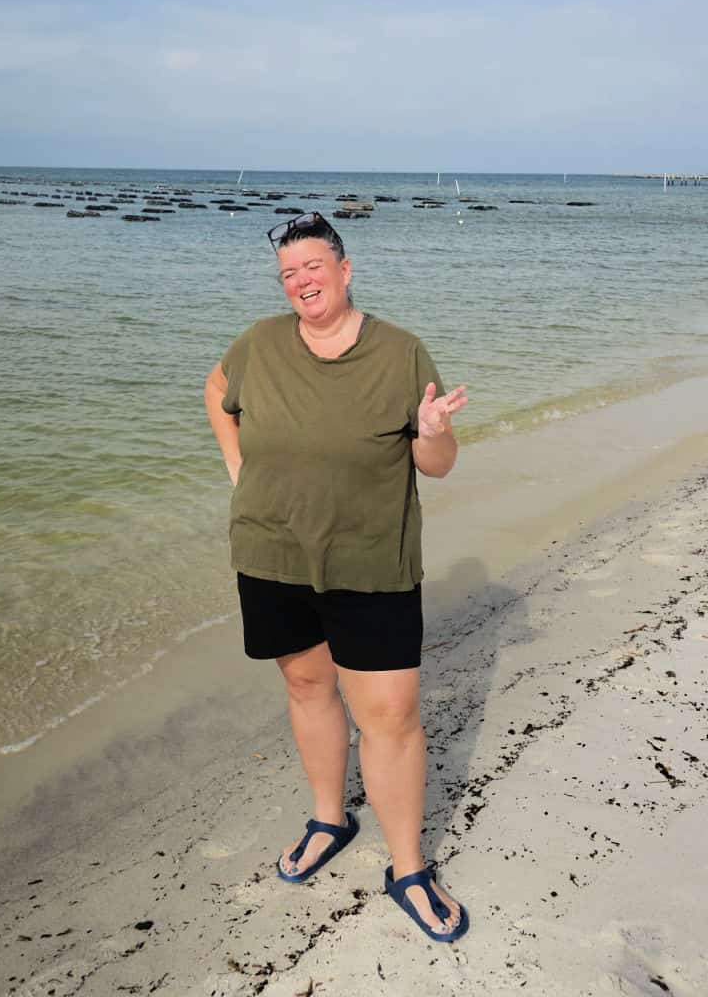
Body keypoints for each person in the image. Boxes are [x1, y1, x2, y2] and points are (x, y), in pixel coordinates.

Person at [203, 211, 469, 942]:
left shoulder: (400, 353)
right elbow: (216, 390)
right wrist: (238, 469)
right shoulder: (259, 343)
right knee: (306, 686)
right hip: (273, 553)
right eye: (288, 274)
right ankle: (330, 817)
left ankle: (409, 867)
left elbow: (436, 465)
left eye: (313, 267)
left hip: (370, 559)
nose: (300, 282)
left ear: (345, 271)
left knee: (390, 718)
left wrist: (435, 434)